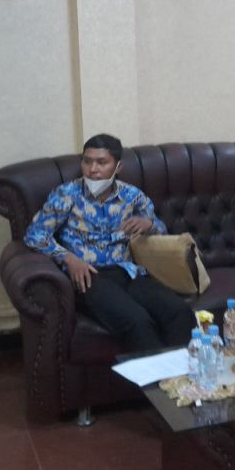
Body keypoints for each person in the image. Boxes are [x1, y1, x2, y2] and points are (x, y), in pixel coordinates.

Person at [24, 134, 193, 352]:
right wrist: (68, 258)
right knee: (137, 321)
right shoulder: (67, 195)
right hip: (89, 276)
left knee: (179, 311)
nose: (92, 169)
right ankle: (157, 374)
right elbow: (35, 234)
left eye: (101, 162)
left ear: (118, 166)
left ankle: (183, 371)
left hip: (129, 272)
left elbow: (161, 231)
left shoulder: (132, 196)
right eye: (87, 161)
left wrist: (149, 224)